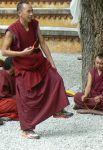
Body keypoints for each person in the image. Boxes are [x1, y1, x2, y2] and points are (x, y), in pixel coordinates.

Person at [1, 1, 73, 139]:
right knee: (27, 98)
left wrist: (52, 62)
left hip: (39, 61)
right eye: (28, 11)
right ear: (20, 13)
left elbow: (43, 43)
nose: (31, 14)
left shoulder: (35, 24)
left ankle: (57, 110)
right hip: (23, 67)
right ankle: (26, 129)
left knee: (56, 79)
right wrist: (21, 53)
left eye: (32, 10)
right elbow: (4, 51)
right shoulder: (12, 30)